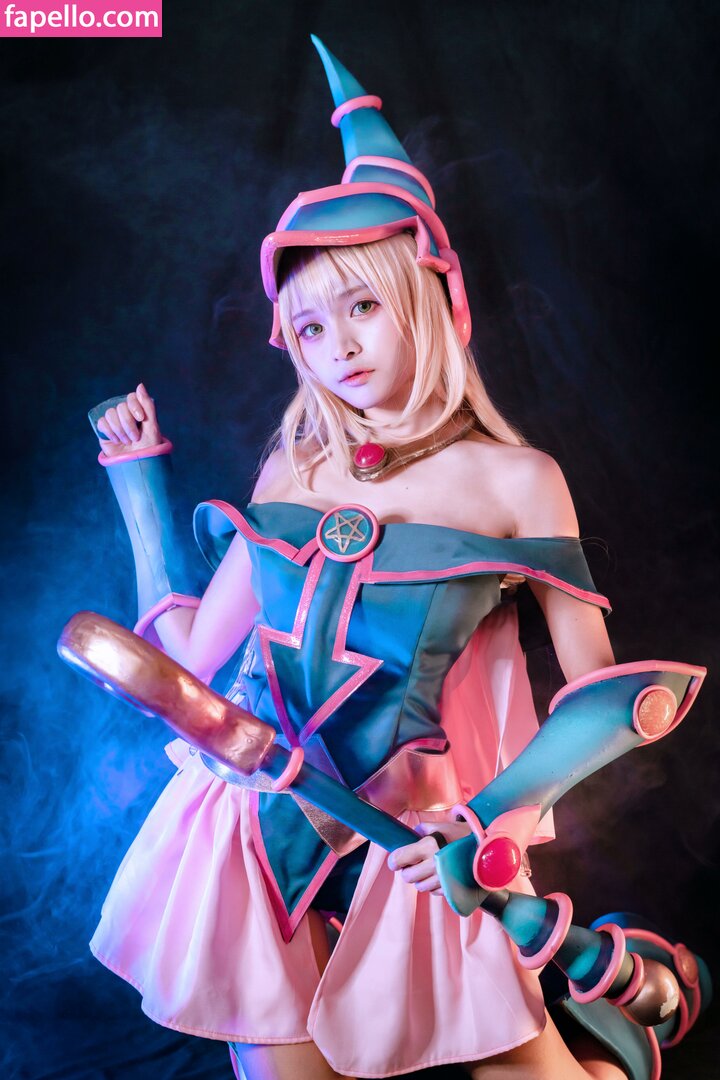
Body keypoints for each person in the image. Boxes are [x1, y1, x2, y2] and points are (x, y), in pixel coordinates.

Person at [87, 37, 707, 1080]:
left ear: (427, 297)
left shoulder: (515, 481)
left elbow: (612, 699)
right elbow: (188, 662)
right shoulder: (293, 467)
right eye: (309, 326)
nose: (338, 347)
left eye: (363, 306)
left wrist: (480, 820)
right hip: (257, 827)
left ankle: (613, 1039)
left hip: (420, 842)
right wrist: (138, 486)